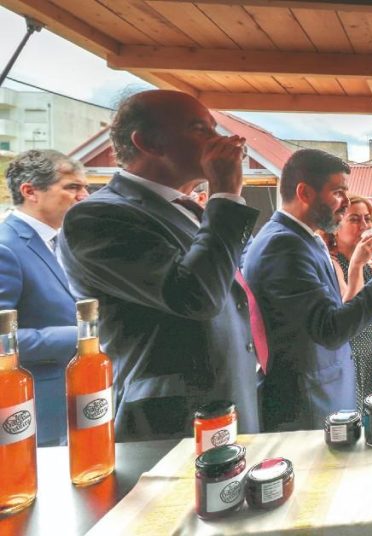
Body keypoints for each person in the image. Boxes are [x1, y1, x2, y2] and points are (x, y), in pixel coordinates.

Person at [59, 90, 261, 441]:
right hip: (171, 421)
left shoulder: (185, 209)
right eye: (200, 128)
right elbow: (195, 296)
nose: (219, 140)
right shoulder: (99, 217)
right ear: (149, 143)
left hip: (227, 403)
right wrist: (226, 194)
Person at [244, 149, 372, 431]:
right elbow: (329, 329)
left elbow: (338, 309)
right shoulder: (283, 246)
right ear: (305, 192)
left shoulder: (302, 239)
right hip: (308, 403)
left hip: (325, 391)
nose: (345, 203)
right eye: (338, 192)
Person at [0, 150, 89, 446]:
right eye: (72, 187)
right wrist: (82, 336)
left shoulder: (64, 241)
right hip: (36, 412)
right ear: (30, 192)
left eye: (84, 187)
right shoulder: (6, 247)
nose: (84, 196)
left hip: (80, 401)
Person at [331, 195, 372, 413]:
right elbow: (349, 308)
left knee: (368, 413)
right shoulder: (333, 261)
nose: (363, 226)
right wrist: (356, 265)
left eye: (367, 219)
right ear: (336, 227)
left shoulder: (367, 262)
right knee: (350, 413)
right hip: (347, 354)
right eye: (354, 219)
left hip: (367, 351)